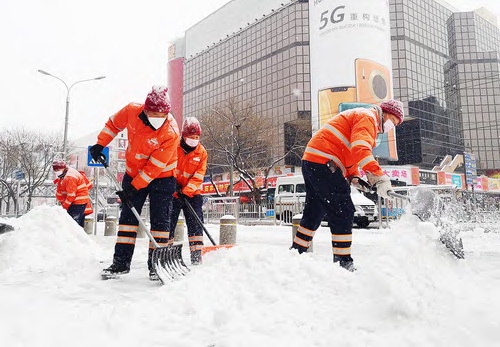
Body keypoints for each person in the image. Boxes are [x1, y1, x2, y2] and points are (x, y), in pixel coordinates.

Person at [290, 100, 405, 271]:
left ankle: (296, 254)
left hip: (314, 161)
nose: (391, 126)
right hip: (325, 162)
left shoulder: (364, 117)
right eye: (392, 121)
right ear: (385, 113)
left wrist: (354, 177)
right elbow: (360, 149)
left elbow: (349, 154)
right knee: (344, 210)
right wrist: (379, 178)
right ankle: (343, 263)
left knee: (315, 211)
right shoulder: (369, 117)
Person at [89, 86, 180, 280]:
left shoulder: (171, 132)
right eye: (154, 113)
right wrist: (100, 144)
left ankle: (156, 266)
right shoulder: (131, 110)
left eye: (162, 114)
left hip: (163, 176)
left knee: (160, 221)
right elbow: (113, 124)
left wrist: (133, 187)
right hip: (133, 171)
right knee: (128, 220)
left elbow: (154, 167)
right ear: (145, 109)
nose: (158, 117)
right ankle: (120, 263)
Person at [169, 117, 208, 265]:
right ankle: (168, 252)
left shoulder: (202, 153)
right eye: (191, 137)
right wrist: (173, 185)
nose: (194, 140)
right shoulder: (173, 147)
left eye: (196, 137)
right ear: (184, 136)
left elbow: (199, 176)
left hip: (192, 194)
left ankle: (196, 255)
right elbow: (167, 166)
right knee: (169, 223)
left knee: (195, 225)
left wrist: (186, 191)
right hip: (173, 193)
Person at [53, 159, 93, 227]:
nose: (57, 172)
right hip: (77, 202)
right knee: (76, 225)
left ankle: (76, 236)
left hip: (78, 202)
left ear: (63, 168)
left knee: (74, 225)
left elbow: (71, 195)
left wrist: (64, 206)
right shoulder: (65, 174)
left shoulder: (70, 177)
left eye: (58, 170)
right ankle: (78, 236)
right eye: (55, 171)